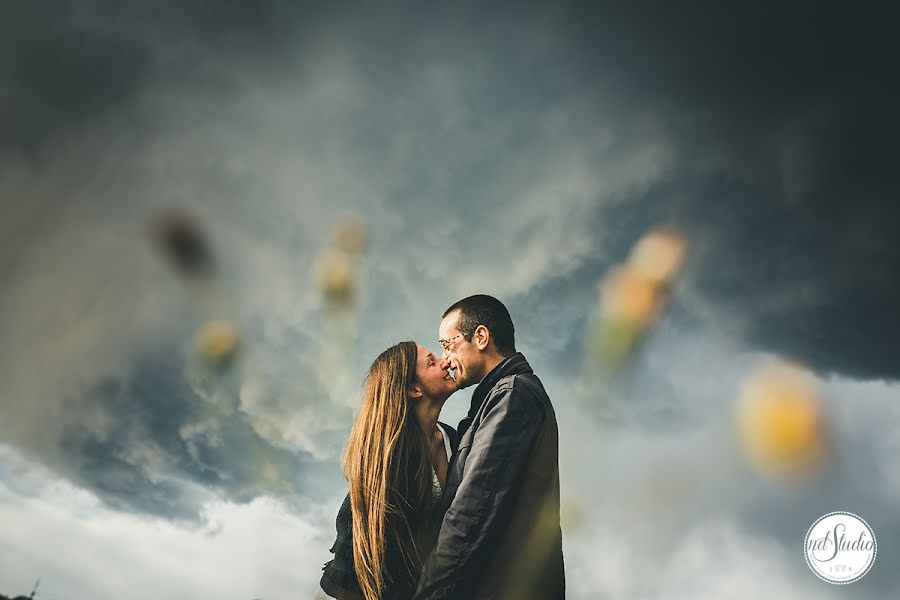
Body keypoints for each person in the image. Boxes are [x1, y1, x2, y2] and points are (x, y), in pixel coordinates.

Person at [415, 294, 565, 600]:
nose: (446, 359)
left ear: (481, 337)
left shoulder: (511, 396)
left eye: (448, 345)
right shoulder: (492, 402)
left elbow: (471, 513)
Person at [320, 341, 459, 600]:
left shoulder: (454, 439)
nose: (445, 362)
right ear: (414, 389)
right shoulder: (388, 462)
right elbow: (355, 556)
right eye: (432, 361)